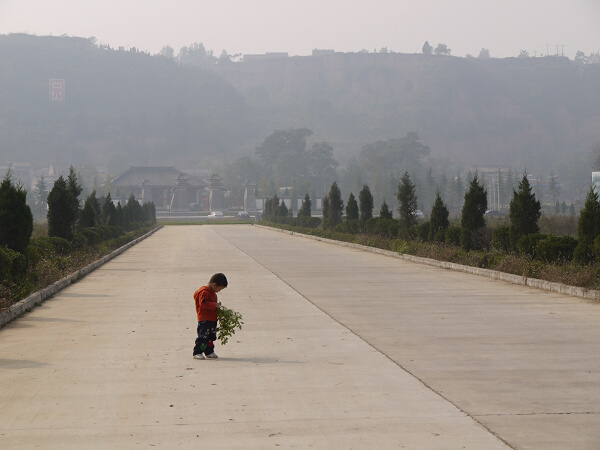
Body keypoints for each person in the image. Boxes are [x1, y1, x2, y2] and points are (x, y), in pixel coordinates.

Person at [193, 273, 228, 360]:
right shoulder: (204, 292)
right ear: (214, 285)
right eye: (219, 289)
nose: (218, 291)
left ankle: (209, 351)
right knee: (203, 336)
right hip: (205, 319)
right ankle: (198, 352)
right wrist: (214, 305)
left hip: (212, 319)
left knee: (211, 337)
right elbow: (203, 303)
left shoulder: (212, 292)